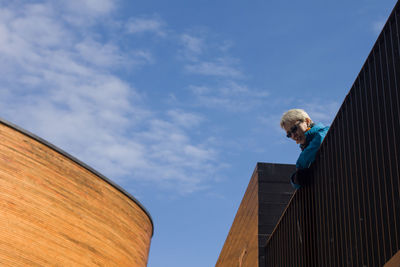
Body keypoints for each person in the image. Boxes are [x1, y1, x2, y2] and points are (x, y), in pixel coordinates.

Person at [280, 109, 329, 189]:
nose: (293, 135)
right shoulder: (307, 152)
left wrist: (300, 166)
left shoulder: (326, 132)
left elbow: (321, 139)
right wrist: (295, 180)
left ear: (307, 121)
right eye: (289, 134)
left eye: (294, 129)